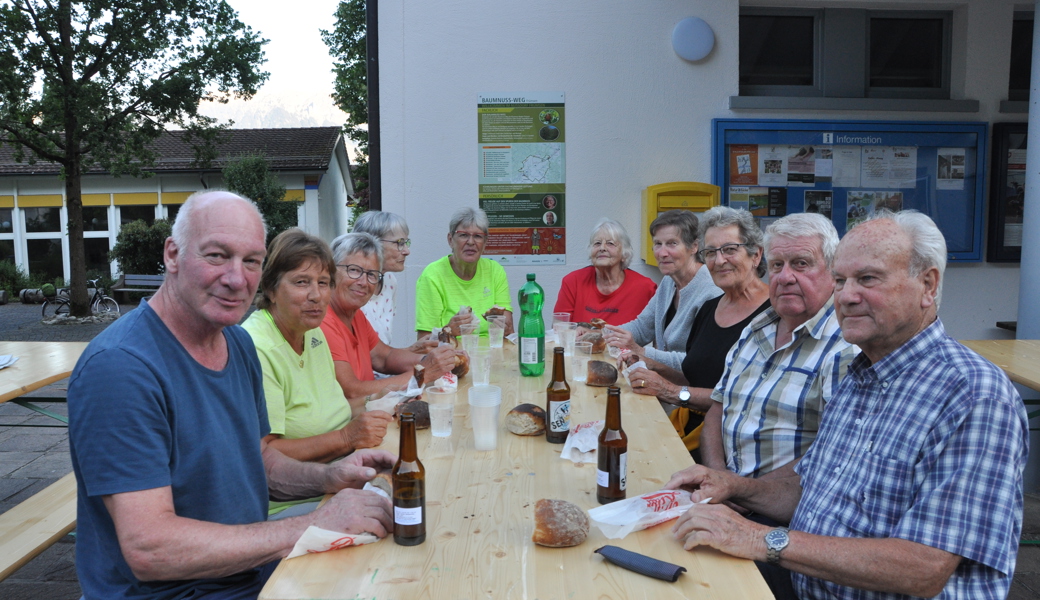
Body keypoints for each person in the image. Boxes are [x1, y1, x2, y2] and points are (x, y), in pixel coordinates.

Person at [665, 211, 1028, 600]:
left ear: (928, 285)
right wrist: (731, 486)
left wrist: (758, 537)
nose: (847, 296)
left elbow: (924, 567)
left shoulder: (973, 394)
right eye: (840, 281)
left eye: (867, 279)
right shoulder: (861, 374)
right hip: (804, 582)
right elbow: (809, 491)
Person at [67, 191, 395, 600]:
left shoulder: (236, 344)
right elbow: (150, 549)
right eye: (217, 256)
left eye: (252, 261)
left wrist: (331, 477)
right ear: (172, 255)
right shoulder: (120, 367)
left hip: (247, 573)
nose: (237, 278)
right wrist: (313, 523)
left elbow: (258, 462)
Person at [242, 229, 396, 518]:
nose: (316, 295)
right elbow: (265, 453)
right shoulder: (258, 348)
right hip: (294, 502)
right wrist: (347, 438)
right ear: (271, 289)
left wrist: (383, 401)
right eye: (301, 282)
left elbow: (333, 408)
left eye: (323, 283)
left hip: (344, 472)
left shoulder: (312, 333)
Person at [698, 213, 859, 480]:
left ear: (834, 271)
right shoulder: (756, 329)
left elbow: (833, 454)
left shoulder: (847, 346)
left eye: (801, 264)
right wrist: (717, 479)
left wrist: (737, 491)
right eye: (777, 265)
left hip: (781, 503)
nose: (785, 277)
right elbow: (717, 410)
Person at [625, 207, 769, 454]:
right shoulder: (711, 309)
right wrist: (648, 365)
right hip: (690, 428)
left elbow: (743, 399)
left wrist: (670, 391)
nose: (719, 260)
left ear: (755, 254)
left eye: (729, 249)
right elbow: (694, 375)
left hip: (733, 445)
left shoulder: (773, 314)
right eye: (710, 252)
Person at [323, 232, 457, 400]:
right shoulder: (323, 321)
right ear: (331, 271)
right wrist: (424, 372)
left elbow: (384, 357)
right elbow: (352, 391)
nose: (363, 282)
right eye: (354, 270)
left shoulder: (354, 314)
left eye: (371, 274)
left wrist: (438, 360)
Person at [602, 210, 721, 370]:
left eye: (672, 243)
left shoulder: (712, 292)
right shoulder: (669, 281)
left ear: (694, 247)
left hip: (688, 384)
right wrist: (599, 334)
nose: (662, 253)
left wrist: (641, 352)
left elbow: (697, 362)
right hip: (661, 378)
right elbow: (642, 327)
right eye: (658, 244)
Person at [415, 207, 514, 338]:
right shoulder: (432, 275)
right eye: (463, 235)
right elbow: (424, 340)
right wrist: (448, 331)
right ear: (450, 240)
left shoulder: (495, 271)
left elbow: (508, 331)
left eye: (478, 236)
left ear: (485, 243)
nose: (471, 242)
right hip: (450, 350)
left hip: (491, 349)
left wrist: (505, 327)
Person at [553, 218, 657, 325]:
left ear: (624, 253)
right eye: (597, 243)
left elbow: (657, 331)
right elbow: (558, 327)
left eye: (610, 243)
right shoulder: (573, 282)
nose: (602, 248)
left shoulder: (645, 288)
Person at [352, 210, 410, 345]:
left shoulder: (389, 281)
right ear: (370, 243)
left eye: (406, 243)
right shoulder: (351, 285)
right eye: (400, 243)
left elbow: (383, 345)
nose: (407, 251)